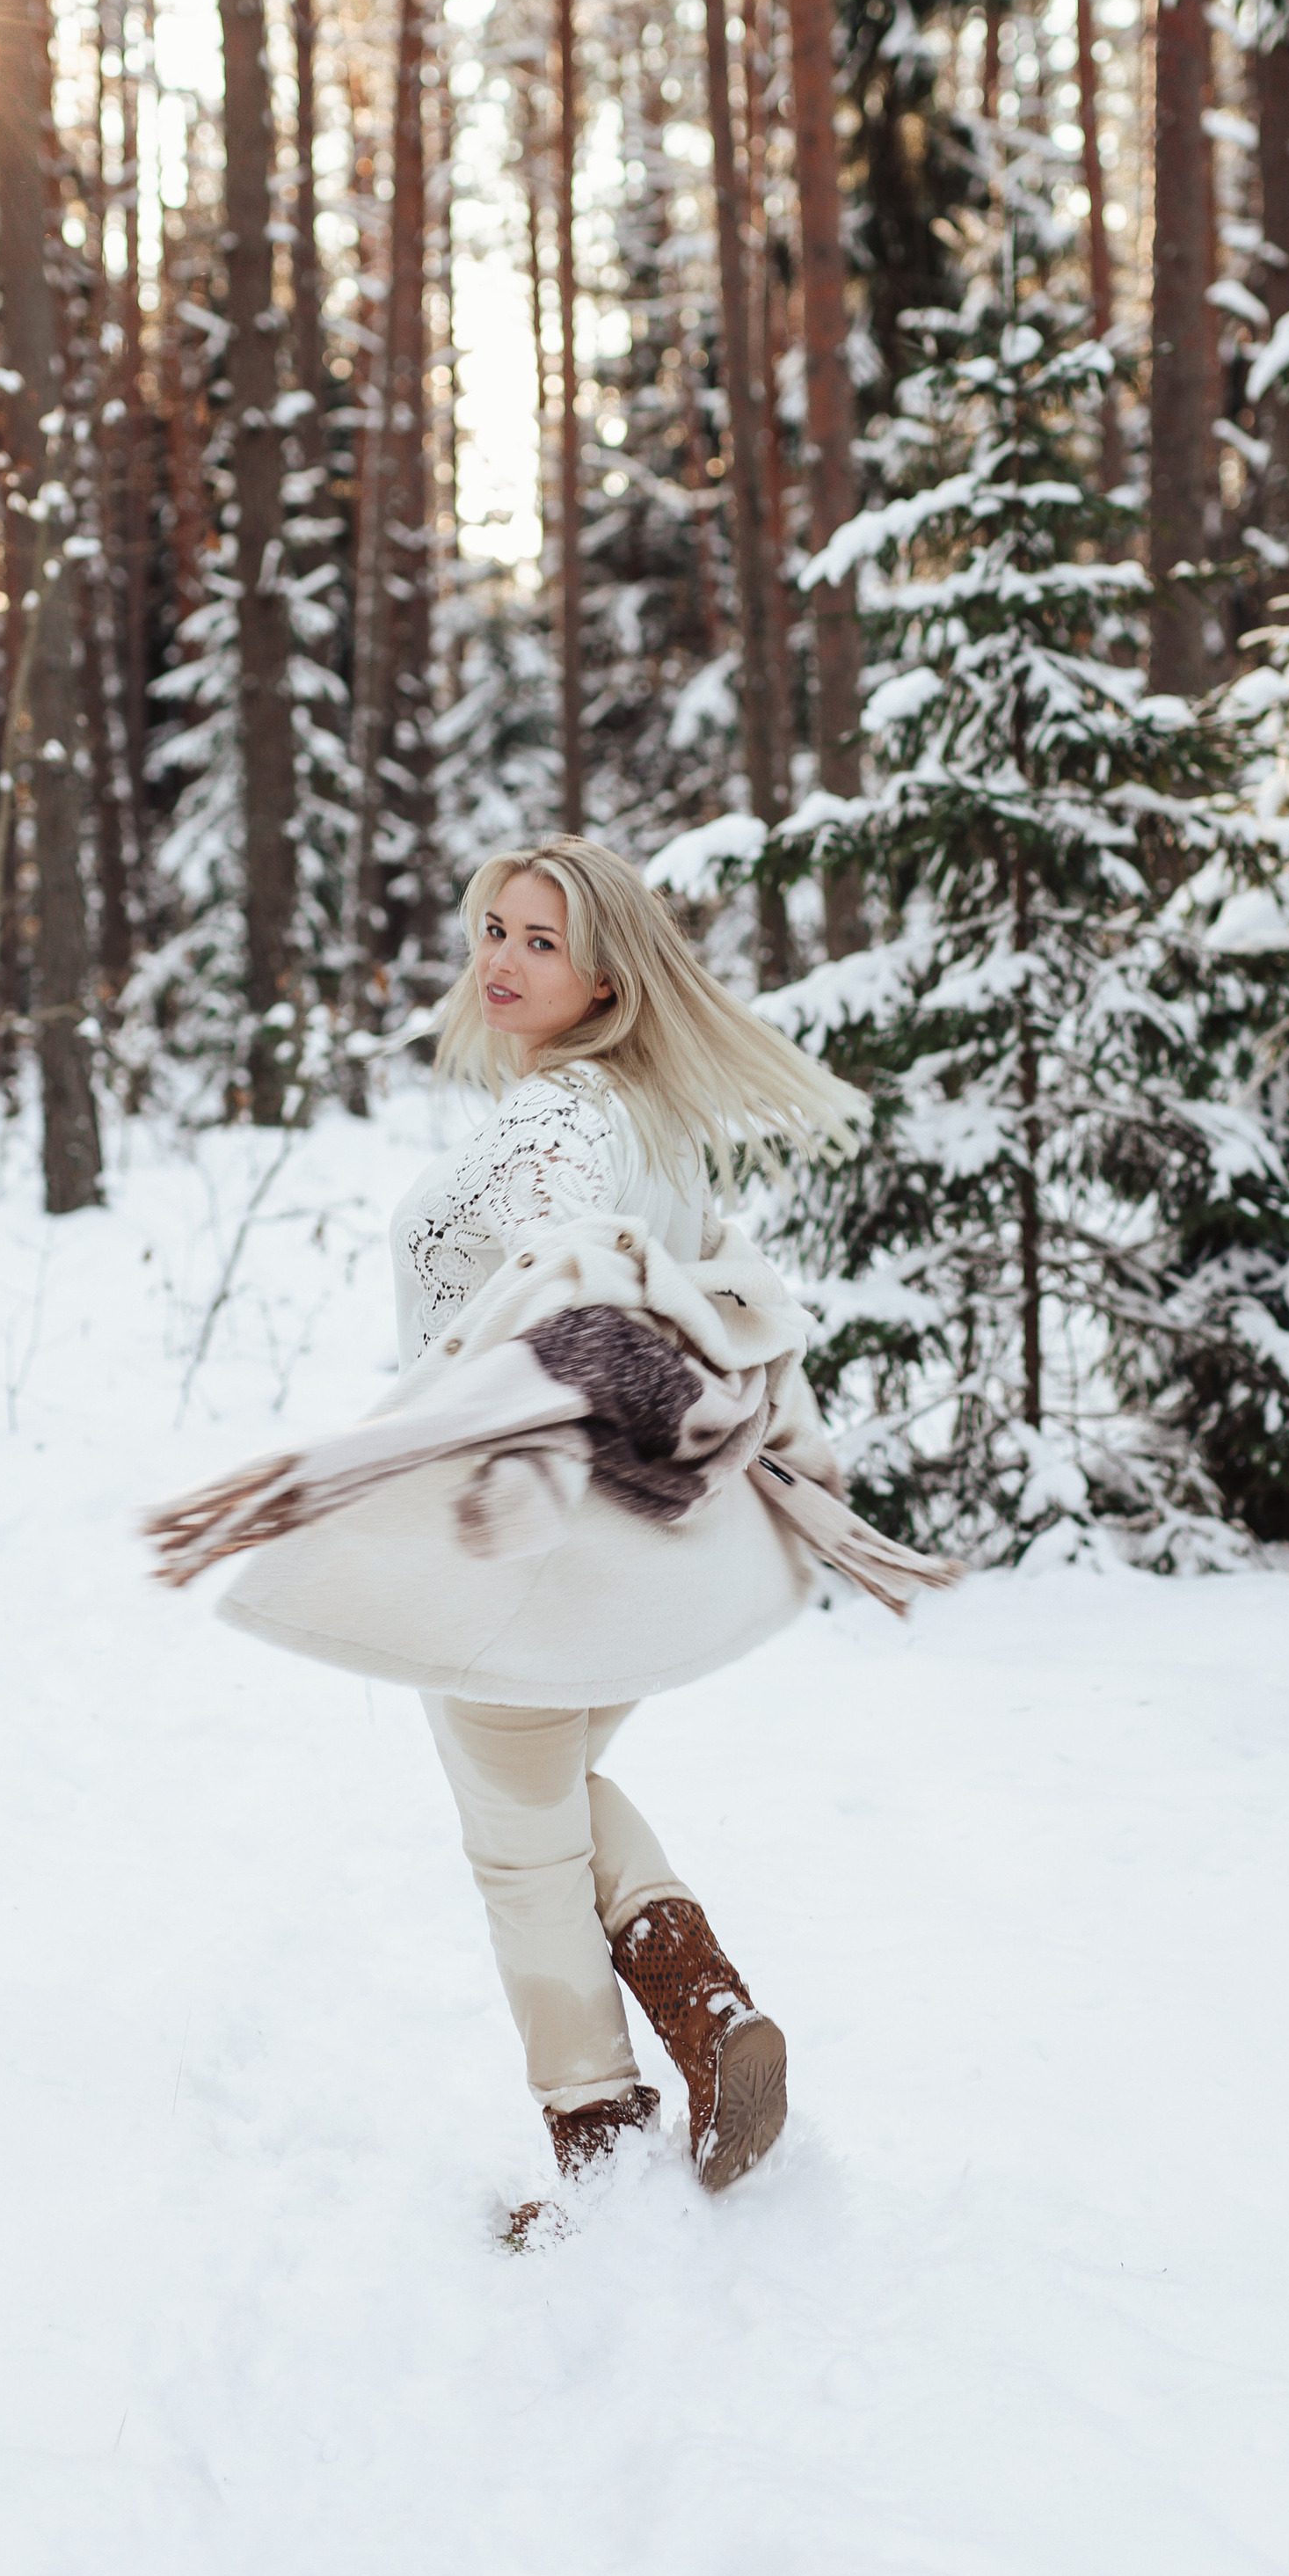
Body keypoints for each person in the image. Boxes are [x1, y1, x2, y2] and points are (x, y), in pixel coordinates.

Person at [387, 836, 869, 2211]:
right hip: (624, 1545)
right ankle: (706, 2014)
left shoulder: (554, 1122)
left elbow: (577, 1299)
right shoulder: (646, 1119)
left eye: (542, 941)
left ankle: (599, 2148)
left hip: (517, 1532)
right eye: (495, 928)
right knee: (544, 1805)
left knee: (520, 1846)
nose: (502, 959)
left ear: (606, 975)